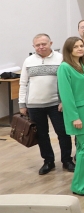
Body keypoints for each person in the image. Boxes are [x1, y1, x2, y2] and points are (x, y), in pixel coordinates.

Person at [19, 34, 72, 175]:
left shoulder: (61, 58)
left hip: (56, 104)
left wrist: (63, 101)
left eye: (44, 44)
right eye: (37, 45)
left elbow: (67, 82)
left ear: (51, 43)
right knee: (42, 135)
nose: (41, 47)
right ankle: (48, 161)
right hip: (34, 105)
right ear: (33, 46)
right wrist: (22, 104)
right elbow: (23, 83)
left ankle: (67, 160)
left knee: (63, 133)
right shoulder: (28, 61)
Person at [56, 37, 84, 196]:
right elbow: (66, 96)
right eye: (76, 47)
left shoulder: (82, 64)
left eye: (81, 45)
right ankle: (79, 186)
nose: (80, 48)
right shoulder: (64, 67)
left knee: (83, 149)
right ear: (69, 50)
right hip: (78, 115)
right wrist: (74, 117)